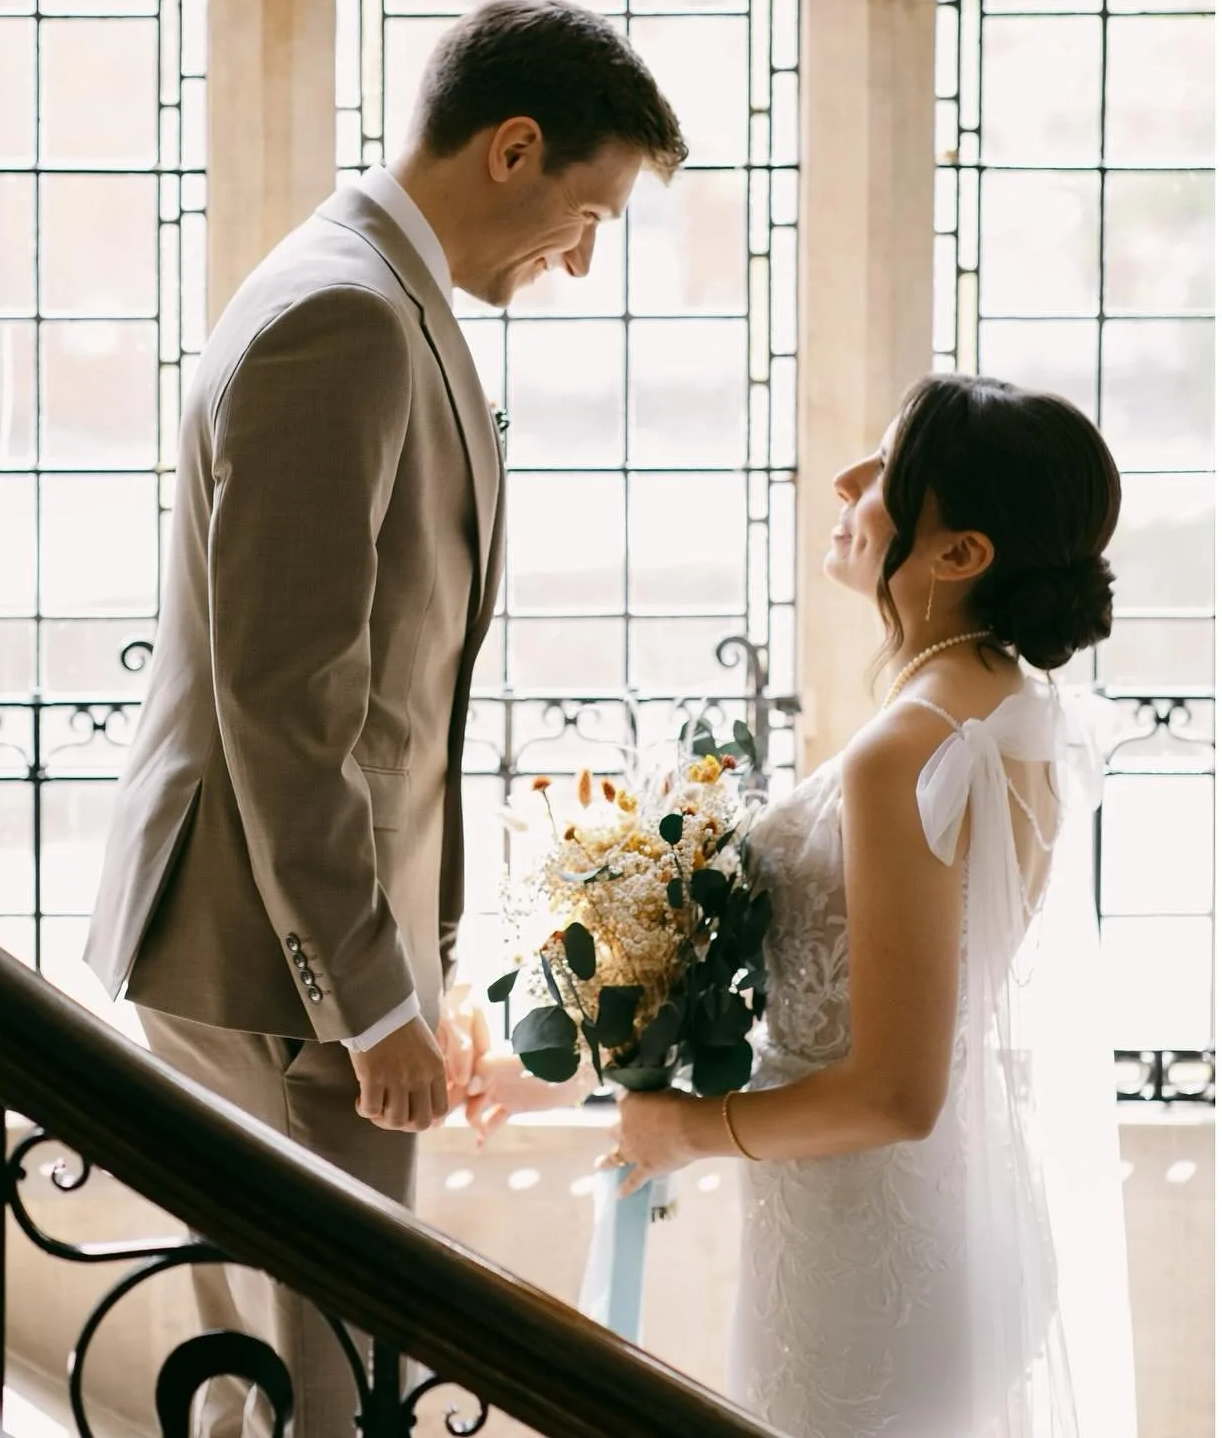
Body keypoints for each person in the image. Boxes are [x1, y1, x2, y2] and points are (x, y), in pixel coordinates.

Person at [83, 0, 685, 1438]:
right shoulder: (344, 315)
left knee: (296, 1390)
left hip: (295, 955)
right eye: (587, 211)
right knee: (338, 1393)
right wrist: (369, 995)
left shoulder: (371, 292)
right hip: (273, 975)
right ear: (514, 147)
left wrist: (419, 966)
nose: (582, 258)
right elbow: (291, 706)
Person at [468, 373, 1138, 1438]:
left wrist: (685, 1130)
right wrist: (579, 1061)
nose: (847, 480)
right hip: (927, 1219)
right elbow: (847, 979)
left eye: (887, 471)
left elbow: (891, 1092)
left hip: (874, 1254)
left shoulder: (910, 750)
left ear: (963, 554)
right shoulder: (1010, 711)